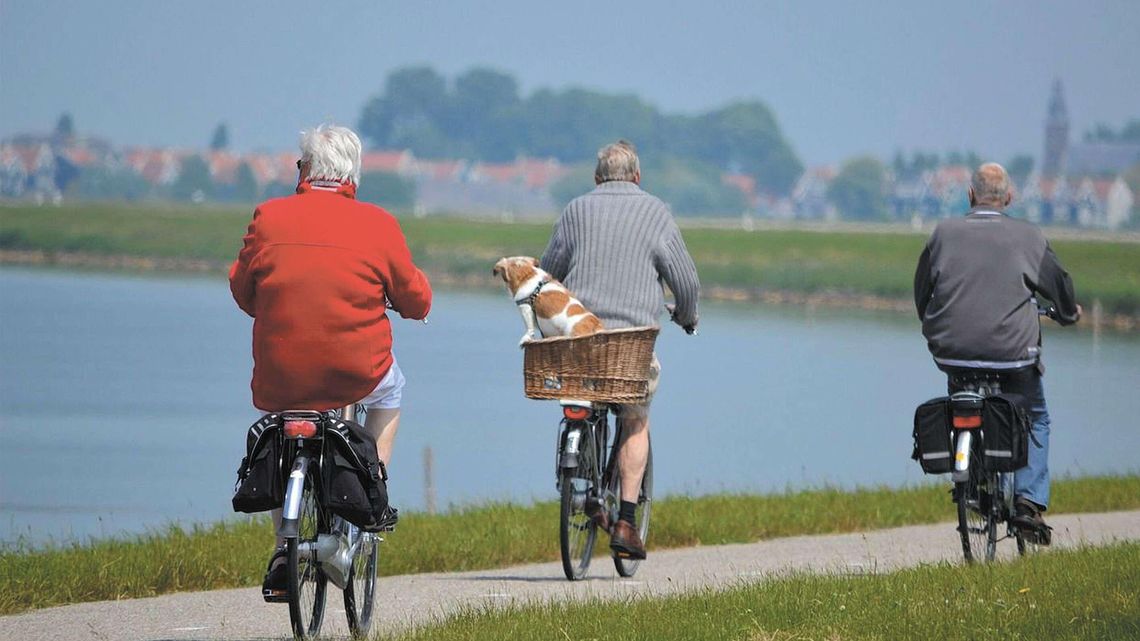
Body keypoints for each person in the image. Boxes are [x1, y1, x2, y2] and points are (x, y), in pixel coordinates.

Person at [229, 124, 432, 596]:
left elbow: (242, 289)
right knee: (391, 392)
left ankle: (284, 547)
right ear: (353, 175)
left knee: (284, 426)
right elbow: (414, 297)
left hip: (281, 372)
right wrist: (415, 304)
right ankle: (371, 494)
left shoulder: (268, 216)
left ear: (304, 170)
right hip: (355, 370)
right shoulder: (378, 224)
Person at [540, 140, 699, 560]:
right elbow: (685, 281)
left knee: (582, 398)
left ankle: (580, 472)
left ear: (597, 178)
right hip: (631, 347)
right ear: (637, 177)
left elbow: (547, 275)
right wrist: (686, 315)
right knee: (635, 419)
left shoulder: (575, 210)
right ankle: (627, 521)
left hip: (580, 343)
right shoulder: (656, 212)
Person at [913, 162, 1080, 538]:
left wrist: (932, 323)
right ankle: (1028, 503)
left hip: (953, 351)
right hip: (1013, 356)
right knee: (1035, 417)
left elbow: (922, 290)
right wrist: (1069, 314)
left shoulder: (942, 233)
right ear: (1009, 197)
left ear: (970, 195)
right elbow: (1059, 286)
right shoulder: (1029, 236)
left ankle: (972, 478)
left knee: (962, 399)